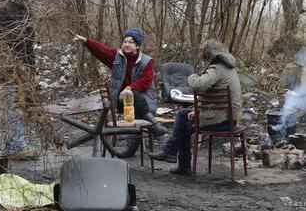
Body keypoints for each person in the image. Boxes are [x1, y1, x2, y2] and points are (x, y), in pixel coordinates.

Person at [149, 39, 242, 176]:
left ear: (207, 54)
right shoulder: (229, 67)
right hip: (229, 117)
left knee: (182, 118)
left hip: (222, 120)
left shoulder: (216, 69)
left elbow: (198, 85)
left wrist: (191, 76)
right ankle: (177, 158)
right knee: (185, 118)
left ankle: (175, 156)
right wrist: (197, 111)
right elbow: (215, 99)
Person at [70, 28, 167, 137]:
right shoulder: (116, 57)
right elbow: (101, 50)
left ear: (138, 46)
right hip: (122, 102)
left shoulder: (147, 61)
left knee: (134, 96)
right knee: (132, 96)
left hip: (144, 102)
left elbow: (146, 81)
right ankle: (153, 126)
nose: (127, 44)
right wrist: (86, 41)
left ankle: (134, 140)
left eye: (131, 42)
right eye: (125, 41)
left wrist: (129, 88)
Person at [0, 0, 37, 159]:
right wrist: (12, 65)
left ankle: (16, 144)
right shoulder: (3, 7)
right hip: (8, 65)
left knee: (18, 105)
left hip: (22, 64)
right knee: (12, 106)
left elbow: (29, 39)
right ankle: (17, 147)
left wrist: (31, 67)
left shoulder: (25, 8)